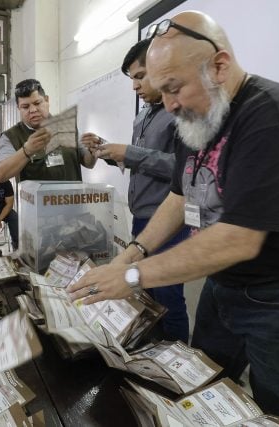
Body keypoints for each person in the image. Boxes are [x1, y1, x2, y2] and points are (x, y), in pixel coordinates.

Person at [68, 11, 279, 427]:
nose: (170, 104)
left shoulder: (275, 116)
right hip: (225, 285)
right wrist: (128, 255)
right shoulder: (198, 119)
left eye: (174, 88)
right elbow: (179, 198)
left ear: (219, 65)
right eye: (161, 93)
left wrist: (130, 277)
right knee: (204, 388)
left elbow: (239, 239)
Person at [80, 39, 190, 343]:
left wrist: (129, 153)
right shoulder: (142, 115)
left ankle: (175, 355)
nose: (135, 87)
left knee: (168, 294)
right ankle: (153, 351)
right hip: (141, 217)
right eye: (132, 79)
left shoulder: (178, 112)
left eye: (140, 76)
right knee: (146, 292)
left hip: (168, 219)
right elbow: (141, 162)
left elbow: (181, 168)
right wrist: (108, 151)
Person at [0, 78, 96, 183]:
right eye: (25, 107)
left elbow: (88, 163)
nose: (33, 110)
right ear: (18, 108)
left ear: (47, 100)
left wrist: (92, 152)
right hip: (38, 199)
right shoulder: (11, 136)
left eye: (37, 103)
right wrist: (26, 151)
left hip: (71, 198)